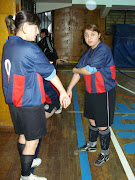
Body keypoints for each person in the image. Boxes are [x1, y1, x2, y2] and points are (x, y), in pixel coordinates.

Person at [2, 10, 70, 180]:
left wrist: (37, 64)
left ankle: (28, 161)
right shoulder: (29, 48)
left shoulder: (9, 44)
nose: (37, 32)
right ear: (25, 27)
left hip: (14, 100)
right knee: (32, 141)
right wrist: (62, 92)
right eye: (35, 28)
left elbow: (23, 66)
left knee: (24, 135)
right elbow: (51, 73)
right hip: (29, 101)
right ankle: (26, 177)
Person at [67, 24, 117, 166]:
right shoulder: (89, 52)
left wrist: (75, 69)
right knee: (92, 120)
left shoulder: (103, 50)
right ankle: (92, 145)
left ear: (99, 35)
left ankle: (105, 154)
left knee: (102, 125)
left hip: (104, 92)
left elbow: (88, 71)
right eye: (86, 35)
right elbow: (78, 72)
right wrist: (69, 89)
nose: (89, 38)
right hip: (91, 91)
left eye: (92, 34)